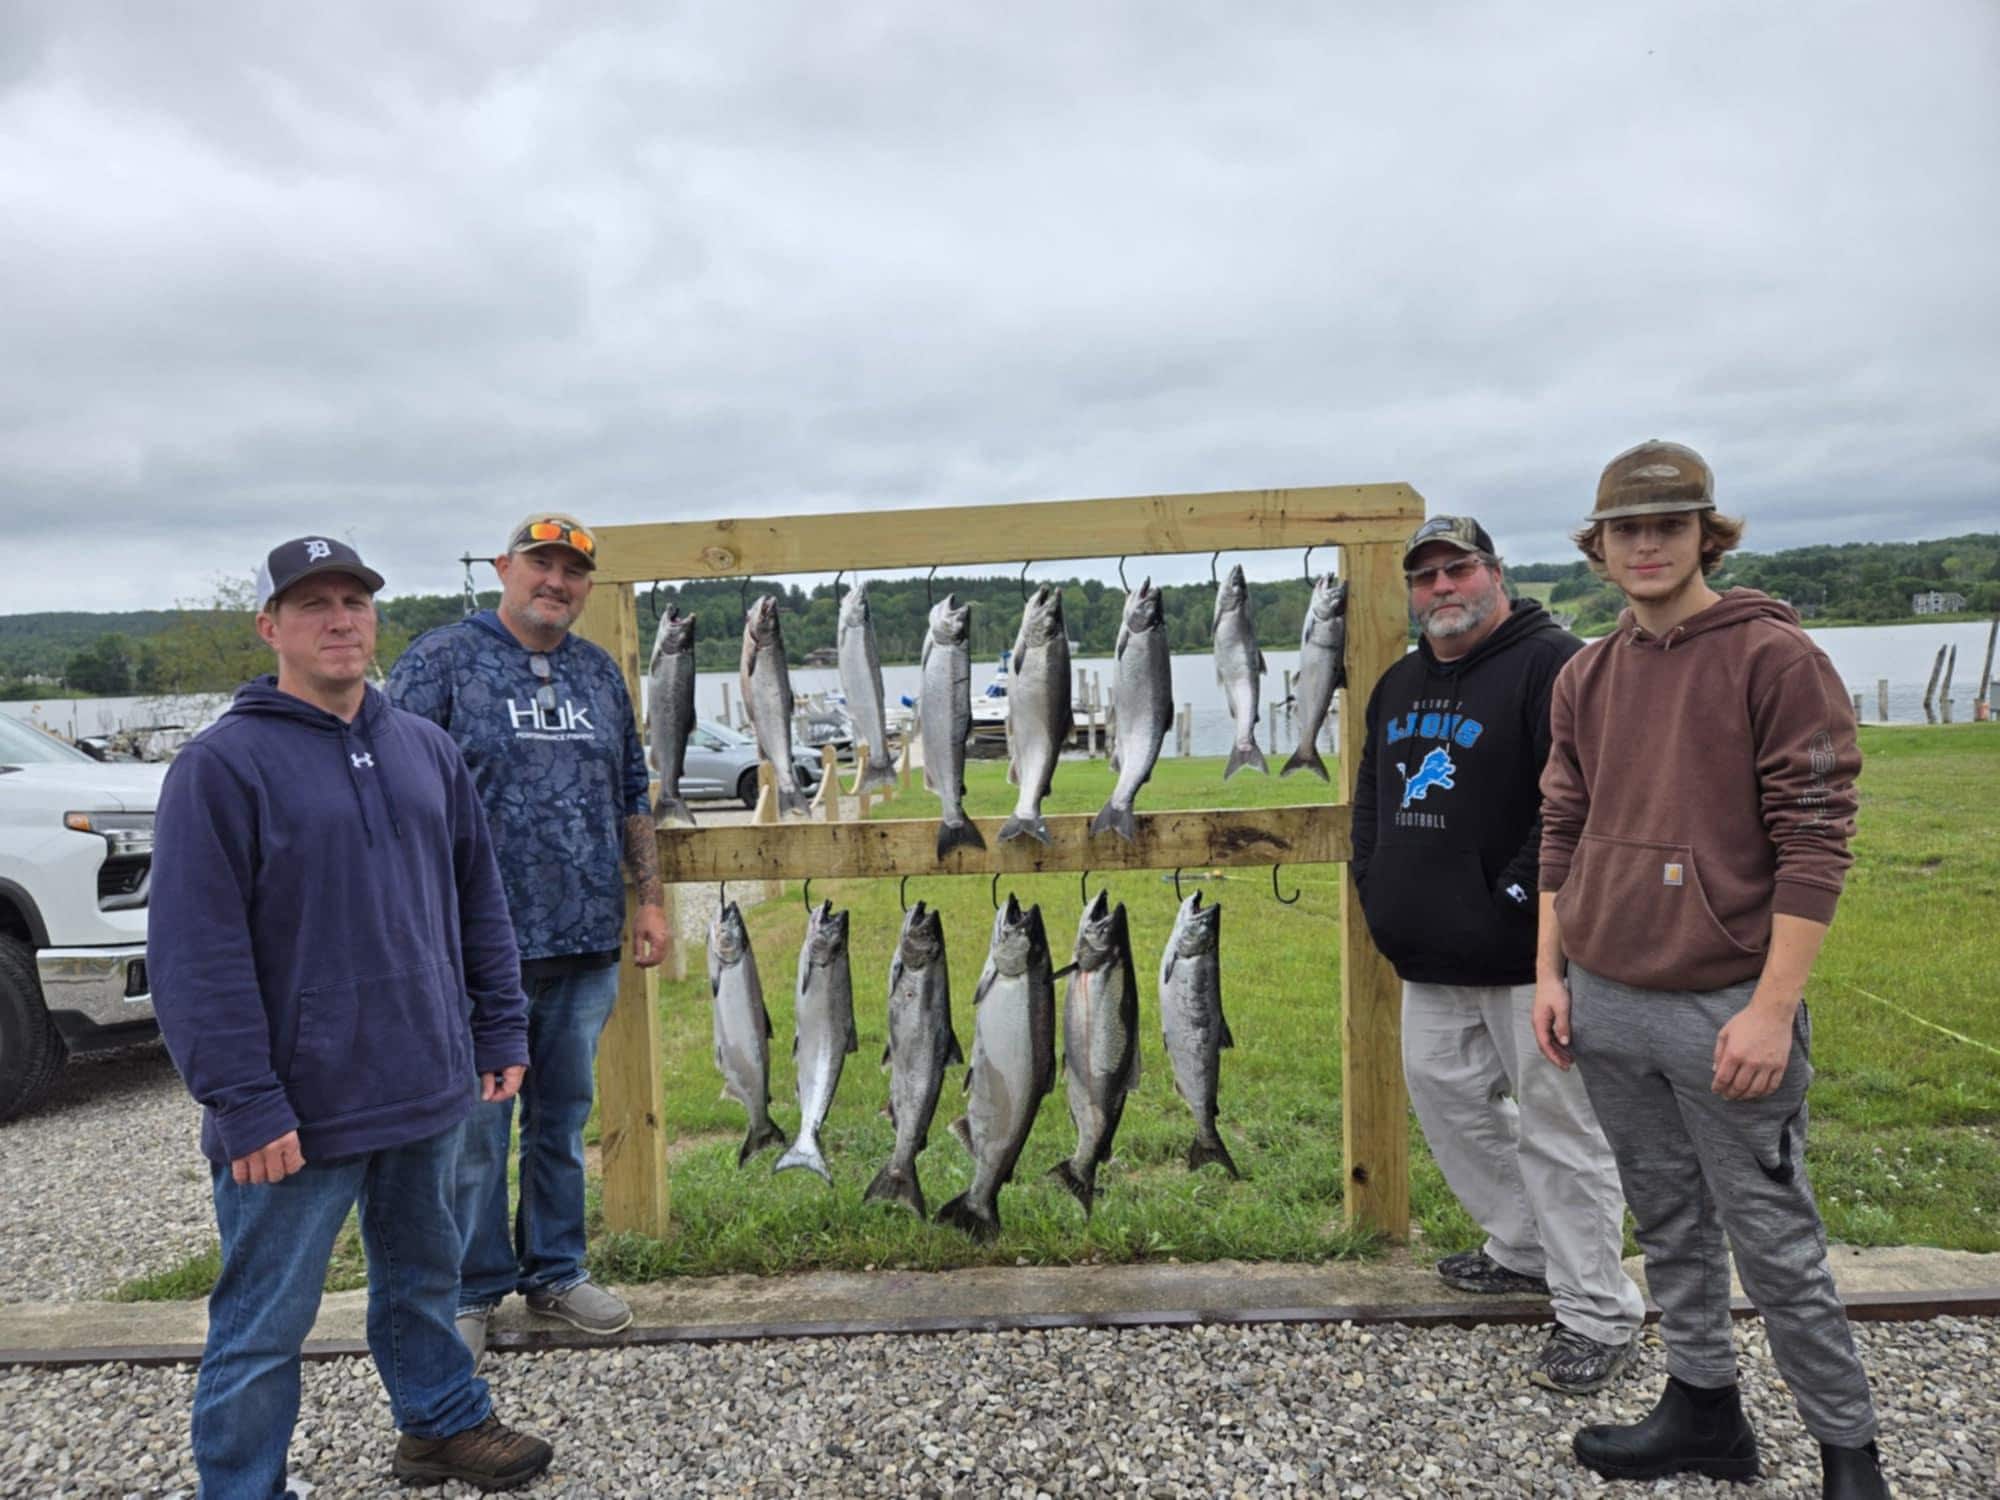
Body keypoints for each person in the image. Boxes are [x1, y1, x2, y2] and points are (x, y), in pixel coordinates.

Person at [149, 536, 553, 1496]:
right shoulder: (220, 766)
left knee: (425, 1279)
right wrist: (245, 1100)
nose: (339, 621)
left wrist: (497, 1028)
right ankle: (242, 1485)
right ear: (270, 627)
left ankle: (440, 1422)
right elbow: (194, 954)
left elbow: (476, 900)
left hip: (425, 1078)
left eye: (354, 602)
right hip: (298, 1103)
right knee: (263, 1321)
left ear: (375, 619)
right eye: (312, 605)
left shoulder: (426, 748)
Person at [1534, 441, 1889, 1498]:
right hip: (1605, 997)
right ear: (1596, 549)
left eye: (1667, 525)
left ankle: (1848, 1451)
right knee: (1668, 1224)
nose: (1645, 545)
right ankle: (1702, 1411)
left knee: (1773, 1240)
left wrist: (1771, 1010)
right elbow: (1559, 827)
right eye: (1624, 530)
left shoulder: (1772, 659)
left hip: (1726, 1008)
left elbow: (1815, 836)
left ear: (1705, 536)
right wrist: (1550, 975)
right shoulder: (1584, 675)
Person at [1351, 514, 1645, 1395]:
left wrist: (1512, 896)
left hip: (1532, 961)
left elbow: (1584, 801)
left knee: (1563, 1132)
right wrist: (1373, 881)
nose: (1442, 588)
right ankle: (1521, 1247)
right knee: (1450, 1109)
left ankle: (1599, 1309)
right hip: (1427, 957)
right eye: (1426, 576)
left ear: (1496, 573)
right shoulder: (1400, 681)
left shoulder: (1553, 663)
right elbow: (1372, 793)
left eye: (1459, 569)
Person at [388, 513, 667, 1363]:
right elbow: (395, 794)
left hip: (585, 939)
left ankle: (556, 1270)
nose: (557, 582)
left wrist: (648, 898)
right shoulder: (439, 660)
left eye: (574, 572)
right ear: (505, 568)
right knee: (477, 1131)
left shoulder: (598, 673)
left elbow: (630, 787)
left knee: (563, 1121)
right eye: (542, 565)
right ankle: (471, 1290)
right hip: (475, 953)